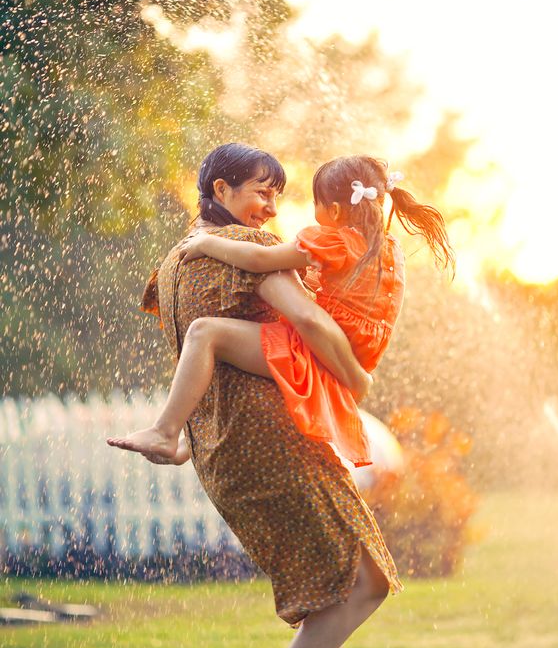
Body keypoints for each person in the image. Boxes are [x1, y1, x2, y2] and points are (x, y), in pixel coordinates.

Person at [107, 143, 442, 648]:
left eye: (278, 194)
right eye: (263, 192)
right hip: (277, 436)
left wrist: (190, 433)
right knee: (365, 581)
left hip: (220, 451)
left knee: (329, 588)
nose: (271, 207)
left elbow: (196, 355)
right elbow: (309, 318)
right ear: (221, 190)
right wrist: (356, 377)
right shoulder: (253, 247)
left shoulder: (172, 264)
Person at [109, 156, 454, 470]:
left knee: (205, 333)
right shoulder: (389, 249)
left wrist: (206, 244)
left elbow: (260, 260)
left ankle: (165, 431)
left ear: (333, 211)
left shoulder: (334, 241)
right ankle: (189, 443)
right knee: (239, 365)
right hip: (361, 350)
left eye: (316, 203)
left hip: (316, 349)